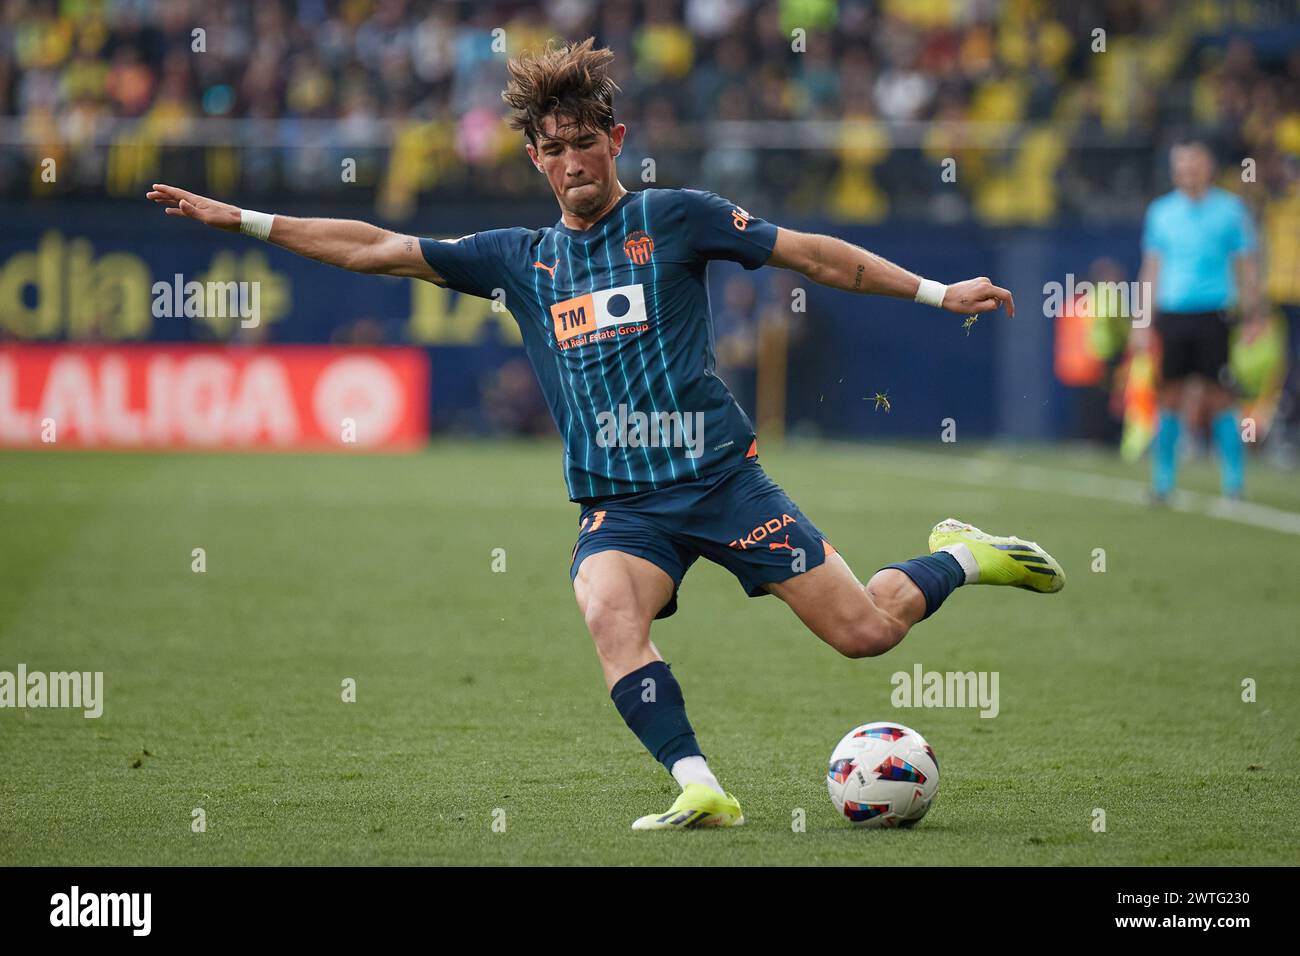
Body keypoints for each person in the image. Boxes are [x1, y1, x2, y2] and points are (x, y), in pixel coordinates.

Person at [146, 38, 1064, 830]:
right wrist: (249, 219)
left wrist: (941, 293)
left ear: (615, 142)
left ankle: (967, 556)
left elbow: (813, 255)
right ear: (536, 161)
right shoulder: (517, 258)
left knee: (866, 633)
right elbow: (375, 247)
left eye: (586, 144)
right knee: (606, 611)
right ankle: (701, 789)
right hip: (622, 506)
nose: (574, 161)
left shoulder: (677, 218)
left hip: (721, 483)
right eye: (555, 151)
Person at [1136, 139, 1262, 500]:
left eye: (1193, 164)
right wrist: (1142, 321)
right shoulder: (1161, 212)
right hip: (1173, 312)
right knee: (1170, 395)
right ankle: (1163, 481)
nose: (1186, 171)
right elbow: (1151, 269)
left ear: (1207, 166)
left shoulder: (1230, 210)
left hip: (1215, 312)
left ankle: (1234, 481)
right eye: (1180, 165)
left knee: (1220, 394)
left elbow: (1245, 266)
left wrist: (1254, 315)